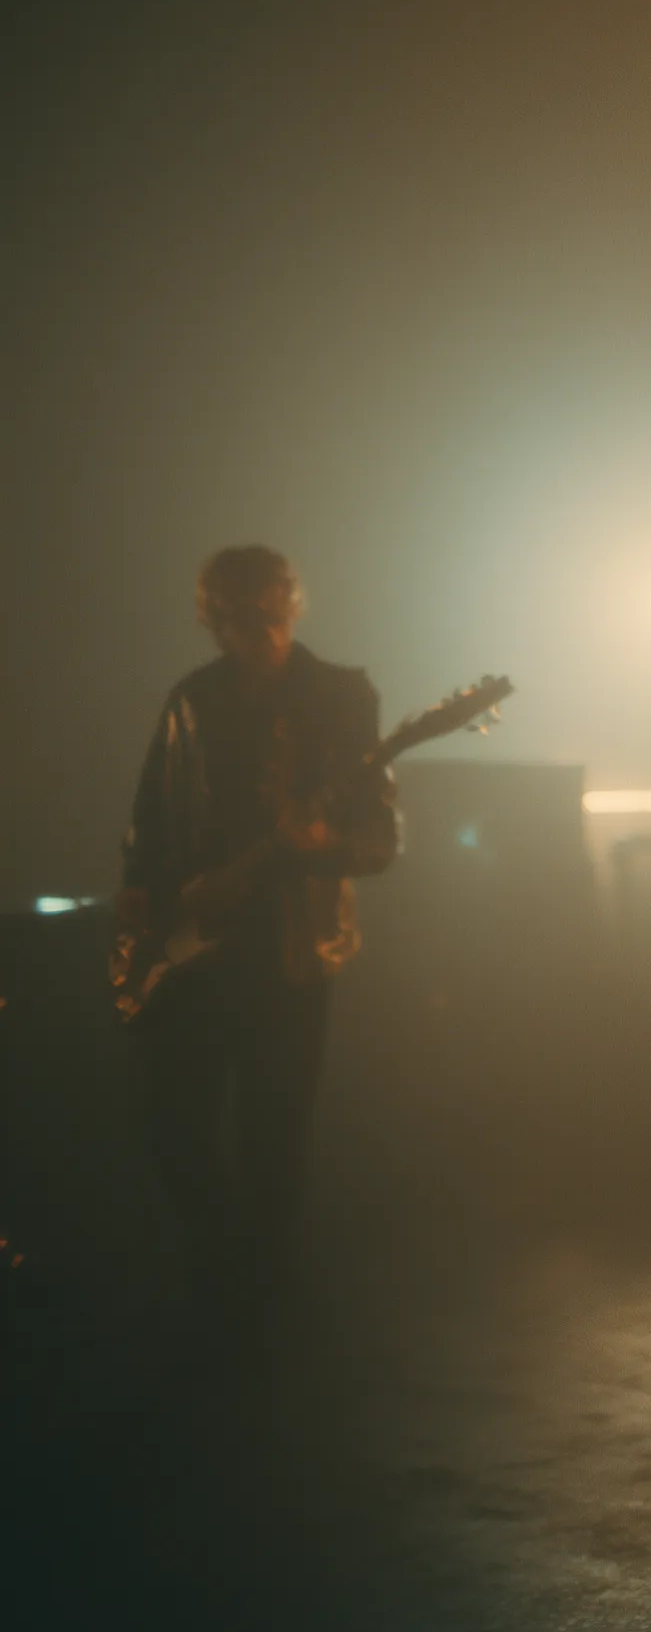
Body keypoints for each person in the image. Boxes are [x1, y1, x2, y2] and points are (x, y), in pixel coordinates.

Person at [118, 546, 397, 1352]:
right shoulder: (191, 699)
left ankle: (254, 1314)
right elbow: (151, 809)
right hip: (192, 945)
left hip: (286, 949)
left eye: (269, 606)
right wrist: (140, 893)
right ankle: (228, 1272)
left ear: (292, 604)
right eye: (237, 612)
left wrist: (319, 842)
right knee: (169, 1122)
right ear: (213, 618)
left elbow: (378, 838)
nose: (257, 626)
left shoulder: (341, 696)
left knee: (274, 1135)